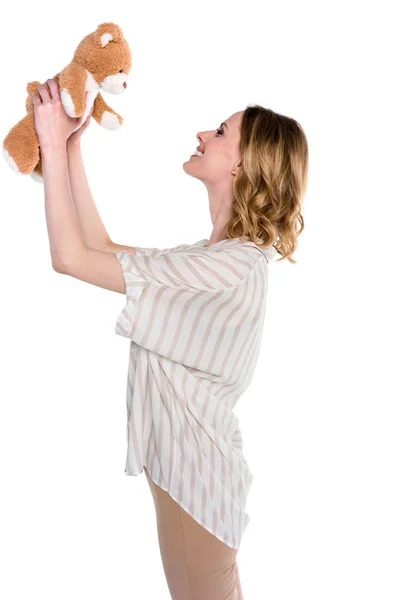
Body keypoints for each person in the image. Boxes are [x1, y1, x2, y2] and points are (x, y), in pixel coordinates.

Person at [31, 79, 309, 599]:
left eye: (221, 131)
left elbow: (68, 257)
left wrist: (47, 141)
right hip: (199, 494)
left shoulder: (224, 271)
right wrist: (69, 147)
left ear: (241, 165)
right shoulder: (214, 261)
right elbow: (97, 245)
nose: (203, 132)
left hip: (197, 495)